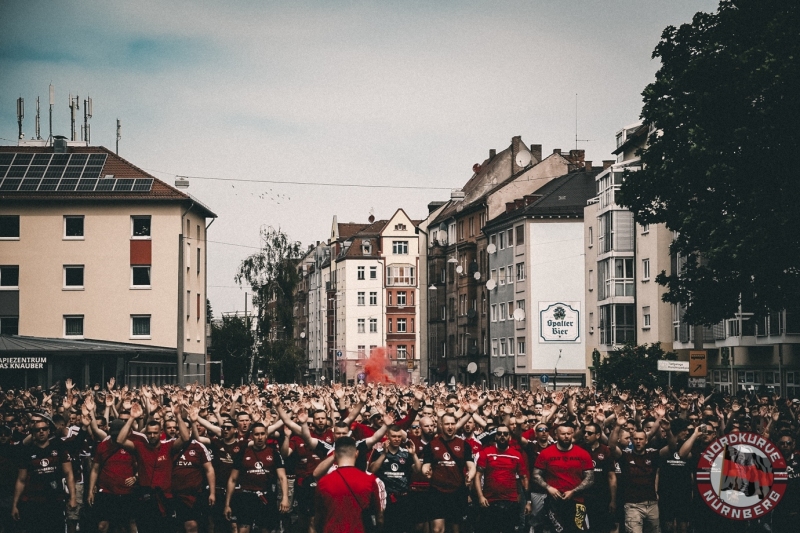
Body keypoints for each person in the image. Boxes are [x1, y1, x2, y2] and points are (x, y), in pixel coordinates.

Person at [116, 402, 191, 532]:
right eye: (149, 433)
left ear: (160, 432)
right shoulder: (140, 447)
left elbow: (185, 438)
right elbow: (120, 440)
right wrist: (132, 418)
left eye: (155, 433)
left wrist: (178, 416)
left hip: (165, 498)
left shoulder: (168, 446)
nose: (152, 436)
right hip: (145, 499)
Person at [11, 417, 78, 533]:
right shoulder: (27, 452)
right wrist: (15, 504)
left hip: (55, 500)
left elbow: (69, 473)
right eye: (37, 430)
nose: (41, 432)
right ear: (33, 433)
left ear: (48, 431)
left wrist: (73, 497)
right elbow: (21, 480)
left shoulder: (59, 447)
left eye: (44, 429)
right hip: (35, 502)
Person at [224, 421, 290, 533]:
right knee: (243, 530)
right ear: (251, 436)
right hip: (246, 497)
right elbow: (233, 479)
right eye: (256, 434)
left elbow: (282, 477)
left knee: (265, 530)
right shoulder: (243, 453)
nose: (260, 437)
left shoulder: (274, 453)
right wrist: (227, 504)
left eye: (262, 434)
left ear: (266, 435)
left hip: (266, 496)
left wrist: (285, 498)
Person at [532, 423, 593, 533]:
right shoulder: (546, 453)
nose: (566, 436)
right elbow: (536, 475)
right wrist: (548, 488)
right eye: (563, 434)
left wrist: (574, 491)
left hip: (577, 500)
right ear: (556, 436)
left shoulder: (583, 454)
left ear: (572, 434)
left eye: (569, 434)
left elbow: (590, 478)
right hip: (553, 502)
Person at [315, 436, 383, 533]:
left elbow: (318, 516)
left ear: (334, 454)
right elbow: (379, 516)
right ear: (356, 454)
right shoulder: (370, 480)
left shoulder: (323, 482)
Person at [421, 413, 476, 533]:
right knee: (437, 530)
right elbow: (426, 464)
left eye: (452, 423)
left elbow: (471, 465)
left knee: (456, 529)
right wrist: (426, 471)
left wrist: (470, 475)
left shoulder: (464, 444)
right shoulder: (432, 444)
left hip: (457, 492)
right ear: (441, 425)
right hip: (437, 492)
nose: (450, 427)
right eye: (447, 424)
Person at [473, 424, 530, 533]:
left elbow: (523, 478)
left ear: (509, 437)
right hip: (490, 501)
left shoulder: (517, 455)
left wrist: (528, 501)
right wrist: (480, 496)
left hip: (510, 501)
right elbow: (478, 475)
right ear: (495, 437)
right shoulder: (486, 452)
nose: (502, 436)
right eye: (499, 434)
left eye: (505, 434)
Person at [609, 414, 660, 533]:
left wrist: (663, 424)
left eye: (641, 439)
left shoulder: (653, 454)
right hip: (632, 504)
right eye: (635, 439)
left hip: (652, 503)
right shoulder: (625, 455)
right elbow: (611, 446)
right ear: (632, 440)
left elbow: (672, 448)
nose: (638, 441)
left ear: (646, 441)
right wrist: (617, 426)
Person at [87, 418, 138, 533]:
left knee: (129, 524)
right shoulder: (102, 446)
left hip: (127, 492)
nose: (115, 438)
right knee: (102, 526)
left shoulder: (131, 446)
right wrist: (90, 490)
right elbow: (95, 469)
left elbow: (141, 465)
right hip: (106, 492)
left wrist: (136, 477)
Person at [369, 425, 422, 533]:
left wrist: (413, 454)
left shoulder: (406, 453)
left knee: (403, 528)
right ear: (387, 436)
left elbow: (417, 470)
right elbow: (372, 470)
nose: (397, 439)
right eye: (394, 436)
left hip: (403, 497)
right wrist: (384, 454)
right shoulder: (378, 452)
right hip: (385, 498)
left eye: (399, 436)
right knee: (386, 528)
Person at [580, 422, 616, 533]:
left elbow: (611, 476)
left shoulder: (605, 450)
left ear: (598, 435)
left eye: (589, 433)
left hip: (601, 497)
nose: (586, 435)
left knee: (600, 528)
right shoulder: (579, 449)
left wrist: (613, 500)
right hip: (582, 497)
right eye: (584, 432)